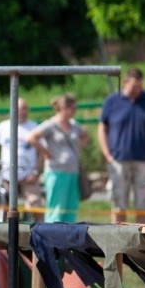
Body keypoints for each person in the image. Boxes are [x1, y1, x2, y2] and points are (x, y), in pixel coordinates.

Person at [98, 68, 145, 224]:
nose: (138, 90)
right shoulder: (112, 101)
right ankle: (119, 242)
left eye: (140, 86)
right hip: (118, 160)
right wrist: (107, 154)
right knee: (118, 203)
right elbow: (102, 127)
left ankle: (141, 242)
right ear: (125, 83)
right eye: (135, 86)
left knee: (143, 204)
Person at [27, 93, 89, 223]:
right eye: (73, 108)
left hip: (73, 171)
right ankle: (53, 236)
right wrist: (46, 152)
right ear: (63, 107)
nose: (74, 111)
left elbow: (84, 139)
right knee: (57, 207)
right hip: (56, 171)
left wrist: (83, 138)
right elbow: (32, 138)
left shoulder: (74, 125)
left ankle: (69, 236)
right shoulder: (51, 124)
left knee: (71, 208)